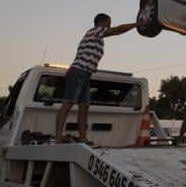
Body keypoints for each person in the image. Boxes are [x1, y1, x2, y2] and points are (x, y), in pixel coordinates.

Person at [54, 13, 141, 143]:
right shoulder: (95, 31)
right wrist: (137, 24)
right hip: (78, 71)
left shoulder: (98, 38)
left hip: (85, 74)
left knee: (84, 107)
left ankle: (83, 139)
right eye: (108, 22)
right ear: (101, 22)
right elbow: (118, 30)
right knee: (68, 103)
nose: (110, 25)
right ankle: (58, 138)